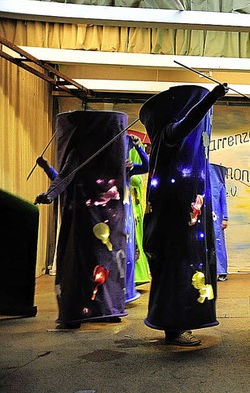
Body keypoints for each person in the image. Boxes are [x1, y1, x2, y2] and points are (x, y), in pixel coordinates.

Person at [139, 83, 228, 346]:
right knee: (177, 267)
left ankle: (178, 322)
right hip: (175, 214)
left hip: (180, 212)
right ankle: (174, 327)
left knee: (184, 266)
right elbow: (187, 123)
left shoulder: (163, 143)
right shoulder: (169, 134)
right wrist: (211, 98)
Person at [35, 110, 129, 329]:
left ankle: (106, 309)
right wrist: (50, 194)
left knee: (105, 264)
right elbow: (64, 176)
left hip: (108, 220)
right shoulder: (83, 152)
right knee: (83, 264)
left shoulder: (114, 156)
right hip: (85, 220)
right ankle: (79, 310)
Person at [123, 134, 149, 302]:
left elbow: (146, 165)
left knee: (135, 245)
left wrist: (139, 147)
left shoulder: (131, 168)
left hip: (133, 209)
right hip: (121, 209)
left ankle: (132, 280)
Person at [209, 163, 229, 282]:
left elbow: (223, 200)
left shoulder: (219, 181)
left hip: (217, 216)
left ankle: (221, 270)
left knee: (218, 242)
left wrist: (225, 218)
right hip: (205, 214)